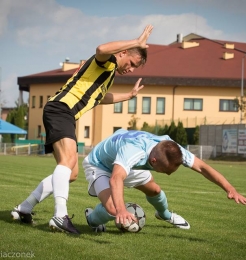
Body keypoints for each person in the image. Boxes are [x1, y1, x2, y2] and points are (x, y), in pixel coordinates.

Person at [11, 25, 154, 234]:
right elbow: (101, 48)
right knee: (67, 163)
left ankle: (25, 208)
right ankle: (60, 216)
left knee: (71, 173)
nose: (131, 70)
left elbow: (100, 97)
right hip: (61, 108)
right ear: (123, 53)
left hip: (65, 113)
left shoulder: (108, 73)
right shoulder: (108, 61)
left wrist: (128, 96)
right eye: (132, 63)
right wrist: (136, 41)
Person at [83, 129, 246, 232]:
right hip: (99, 164)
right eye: (166, 171)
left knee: (155, 190)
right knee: (113, 209)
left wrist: (230, 188)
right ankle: (92, 219)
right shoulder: (134, 152)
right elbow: (116, 178)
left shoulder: (171, 148)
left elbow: (203, 167)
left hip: (128, 163)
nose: (169, 174)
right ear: (154, 162)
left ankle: (165, 215)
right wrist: (121, 210)